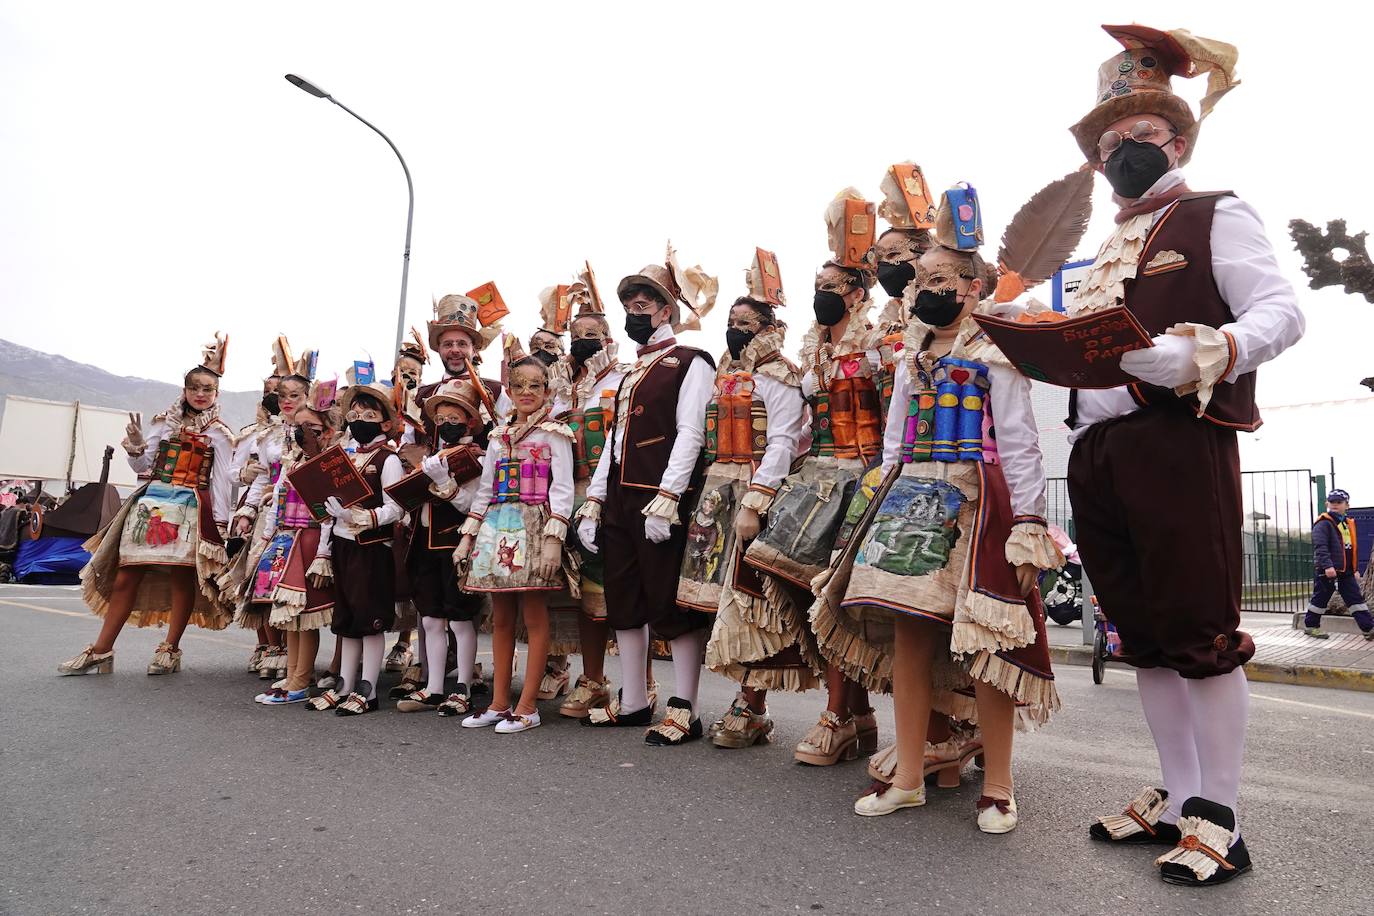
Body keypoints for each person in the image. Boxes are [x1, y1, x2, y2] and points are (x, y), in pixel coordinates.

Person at [1061, 25, 1304, 885]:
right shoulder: (1096, 257)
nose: (1125, 151)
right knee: (1145, 639)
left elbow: (1282, 313)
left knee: (1199, 635)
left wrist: (1201, 351)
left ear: (1180, 140)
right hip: (1097, 452)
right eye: (1110, 142)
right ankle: (1175, 796)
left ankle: (1220, 816)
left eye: (1143, 137)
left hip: (1177, 438)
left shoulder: (1214, 214)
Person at [812, 188, 1062, 834]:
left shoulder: (995, 351)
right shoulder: (913, 354)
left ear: (973, 287)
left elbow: (1020, 440)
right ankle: (910, 778)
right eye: (921, 279)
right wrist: (878, 498)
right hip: (910, 501)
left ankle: (1000, 788)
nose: (925, 288)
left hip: (979, 501)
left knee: (984, 643)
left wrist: (1029, 525)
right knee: (908, 636)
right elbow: (895, 439)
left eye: (940, 279)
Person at [740, 191, 888, 765]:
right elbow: (800, 428)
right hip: (817, 478)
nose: (821, 296)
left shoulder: (877, 344)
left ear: (856, 293)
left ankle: (844, 716)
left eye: (832, 288)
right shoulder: (813, 355)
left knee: (844, 600)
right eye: (818, 287)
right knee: (808, 593)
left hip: (866, 477)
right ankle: (852, 715)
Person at [576, 248, 718, 744]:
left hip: (658, 498)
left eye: (645, 303)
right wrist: (595, 500)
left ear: (666, 310)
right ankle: (633, 699)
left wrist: (669, 495)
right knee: (624, 598)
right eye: (630, 303)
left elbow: (690, 433)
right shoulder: (627, 371)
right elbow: (613, 441)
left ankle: (686, 706)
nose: (635, 310)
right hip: (619, 495)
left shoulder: (690, 361)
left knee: (667, 601)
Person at [60, 334, 236, 676]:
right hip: (151, 503)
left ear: (216, 394)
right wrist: (137, 448)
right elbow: (143, 470)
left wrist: (221, 523)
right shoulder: (161, 422)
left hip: (190, 509)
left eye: (207, 390)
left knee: (181, 579)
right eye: (194, 388)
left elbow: (222, 481)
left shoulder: (220, 434)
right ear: (184, 390)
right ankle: (101, 650)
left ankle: (170, 649)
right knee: (127, 576)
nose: (200, 394)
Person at [698, 255, 808, 748]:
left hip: (757, 491)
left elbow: (784, 440)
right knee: (715, 601)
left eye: (745, 323)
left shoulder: (780, 374)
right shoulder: (727, 372)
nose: (735, 330)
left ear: (768, 328)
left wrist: (755, 502)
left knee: (752, 602)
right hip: (717, 490)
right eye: (730, 322)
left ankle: (752, 703)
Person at [455, 355, 575, 734]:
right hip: (497, 527)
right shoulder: (497, 437)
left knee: (535, 616)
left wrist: (555, 538)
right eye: (518, 385)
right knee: (502, 617)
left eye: (534, 386)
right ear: (508, 390)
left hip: (536, 525)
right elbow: (486, 490)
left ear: (547, 391)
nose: (525, 392)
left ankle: (528, 706)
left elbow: (563, 488)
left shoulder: (555, 434)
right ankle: (498, 702)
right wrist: (468, 537)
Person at [306, 382, 405, 716]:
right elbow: (326, 509)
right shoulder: (345, 456)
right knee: (346, 618)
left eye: (370, 414)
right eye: (356, 414)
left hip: (373, 549)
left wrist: (363, 515)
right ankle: (345, 684)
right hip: (344, 546)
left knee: (370, 618)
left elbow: (397, 507)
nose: (361, 419)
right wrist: (325, 546)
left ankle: (369, 688)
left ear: (386, 423)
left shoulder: (388, 459)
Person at [393, 378, 488, 715]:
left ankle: (462, 686)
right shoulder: (429, 454)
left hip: (454, 543)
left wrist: (445, 484)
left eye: (454, 419)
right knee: (431, 618)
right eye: (442, 419)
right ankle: (433, 686)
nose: (447, 424)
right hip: (424, 543)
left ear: (470, 421)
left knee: (460, 619)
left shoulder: (474, 457)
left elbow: (475, 505)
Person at [228, 341, 316, 682]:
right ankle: (272, 646)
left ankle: (296, 659)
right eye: (282, 395)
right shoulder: (267, 438)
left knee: (297, 584)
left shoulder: (316, 432)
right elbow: (262, 475)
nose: (288, 400)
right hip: (273, 513)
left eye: (295, 394)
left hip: (306, 514)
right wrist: (248, 508)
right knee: (263, 577)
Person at [254, 388, 342, 705]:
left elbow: (331, 514)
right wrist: (266, 537)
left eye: (312, 430)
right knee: (289, 615)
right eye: (298, 428)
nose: (302, 435)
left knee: (305, 616)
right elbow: (278, 501)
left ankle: (301, 680)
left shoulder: (330, 463)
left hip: (311, 540)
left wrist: (322, 555)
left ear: (327, 432)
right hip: (287, 539)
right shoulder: (292, 460)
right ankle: (291, 675)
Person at [230, 367, 283, 675]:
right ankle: (264, 644)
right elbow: (242, 472)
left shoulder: (303, 430)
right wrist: (247, 506)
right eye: (271, 393)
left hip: (289, 509)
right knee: (256, 577)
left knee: (281, 580)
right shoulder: (256, 434)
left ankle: (282, 647)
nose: (276, 399)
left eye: (284, 393)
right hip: (260, 508)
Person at [1304, 490, 1373, 639]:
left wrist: (1354, 569)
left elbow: (1351, 548)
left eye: (1339, 502)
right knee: (1321, 598)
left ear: (1347, 505)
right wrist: (1327, 566)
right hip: (1328, 569)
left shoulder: (1347, 523)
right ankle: (1311, 626)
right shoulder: (1324, 522)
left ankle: (1368, 629)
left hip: (1346, 571)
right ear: (1327, 504)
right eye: (1332, 502)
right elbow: (1320, 546)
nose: (1335, 505)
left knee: (1356, 599)